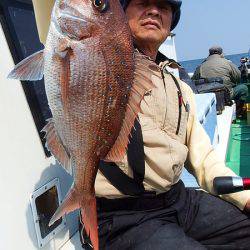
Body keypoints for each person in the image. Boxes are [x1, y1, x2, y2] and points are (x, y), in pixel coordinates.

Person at [33, 0, 250, 249]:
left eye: (164, 8)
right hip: (122, 216)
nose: (154, 11)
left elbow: (204, 160)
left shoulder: (179, 85)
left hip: (177, 201)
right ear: (121, 13)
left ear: (171, 21)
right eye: (142, 3)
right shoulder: (96, 58)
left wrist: (244, 198)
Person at [192, 46, 248, 116]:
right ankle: (237, 113)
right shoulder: (228, 63)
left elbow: (193, 82)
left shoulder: (200, 66)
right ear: (221, 53)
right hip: (226, 96)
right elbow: (238, 78)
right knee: (243, 88)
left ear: (209, 54)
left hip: (209, 97)